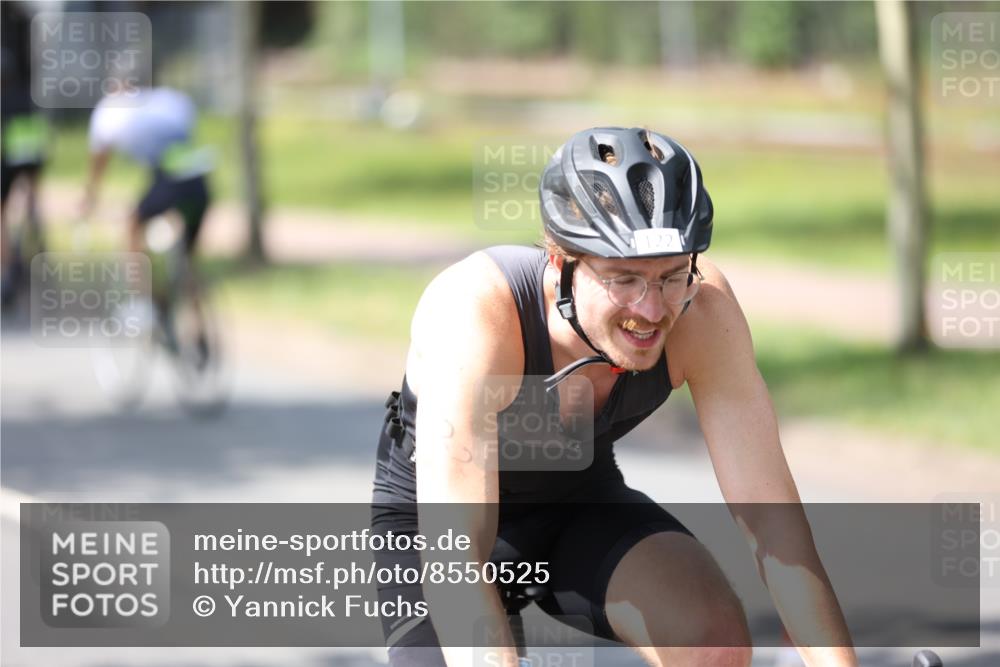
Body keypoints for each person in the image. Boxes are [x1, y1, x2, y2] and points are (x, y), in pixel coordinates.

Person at [371, 127, 857, 667]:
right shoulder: (478, 313)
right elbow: (457, 552)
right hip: (436, 533)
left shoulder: (702, 312)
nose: (651, 311)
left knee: (712, 643)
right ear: (560, 265)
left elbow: (772, 524)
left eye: (672, 277)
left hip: (578, 504)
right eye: (624, 280)